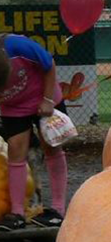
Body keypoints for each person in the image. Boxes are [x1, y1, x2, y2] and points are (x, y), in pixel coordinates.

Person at [0, 35, 69, 231]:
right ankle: (17, 213)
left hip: (42, 94)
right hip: (13, 106)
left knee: (52, 146)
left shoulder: (17, 46)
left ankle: (57, 210)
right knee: (15, 150)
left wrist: (47, 99)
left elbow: (49, 64)